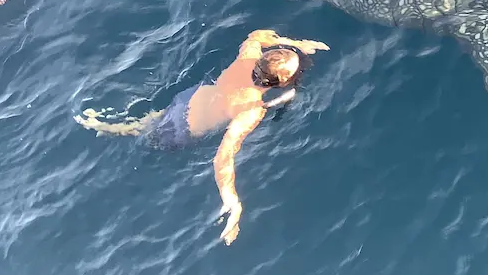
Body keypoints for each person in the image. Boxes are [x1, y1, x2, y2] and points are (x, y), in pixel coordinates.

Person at [76, 29, 330, 245]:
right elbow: (223, 156)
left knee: (149, 122)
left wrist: (294, 44)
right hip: (182, 133)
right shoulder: (251, 110)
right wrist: (233, 201)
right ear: (282, 82)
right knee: (148, 136)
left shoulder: (247, 57)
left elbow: (256, 35)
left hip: (189, 98)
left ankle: (103, 123)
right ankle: (106, 128)